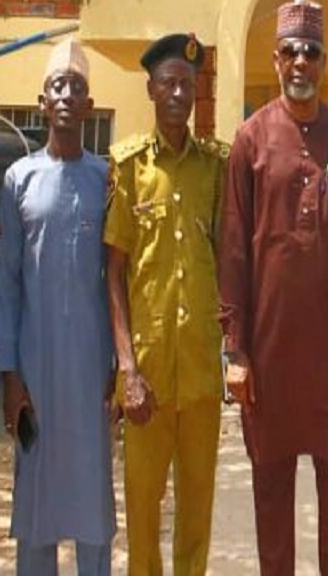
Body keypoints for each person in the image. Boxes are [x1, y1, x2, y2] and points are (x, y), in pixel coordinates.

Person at [220, 0, 328, 576]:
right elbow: (234, 251)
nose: (301, 62)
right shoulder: (250, 141)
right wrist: (236, 351)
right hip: (270, 355)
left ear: (324, 61)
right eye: (290, 51)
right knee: (272, 506)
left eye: (311, 52)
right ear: (276, 59)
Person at [104, 33, 228, 576]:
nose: (179, 94)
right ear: (151, 90)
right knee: (143, 509)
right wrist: (127, 369)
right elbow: (113, 273)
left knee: (197, 508)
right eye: (169, 83)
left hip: (200, 371)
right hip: (147, 375)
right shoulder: (130, 167)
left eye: (188, 85)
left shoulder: (216, 168)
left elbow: (229, 261)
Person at [0, 38, 116, 575]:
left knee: (93, 507)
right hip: (36, 369)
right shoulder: (18, 179)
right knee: (36, 506)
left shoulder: (105, 178)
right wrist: (10, 374)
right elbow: (7, 282)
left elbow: (116, 278)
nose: (67, 94)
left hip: (91, 368)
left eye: (77, 88)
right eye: (57, 86)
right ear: (42, 102)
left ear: (89, 106)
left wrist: (118, 364)